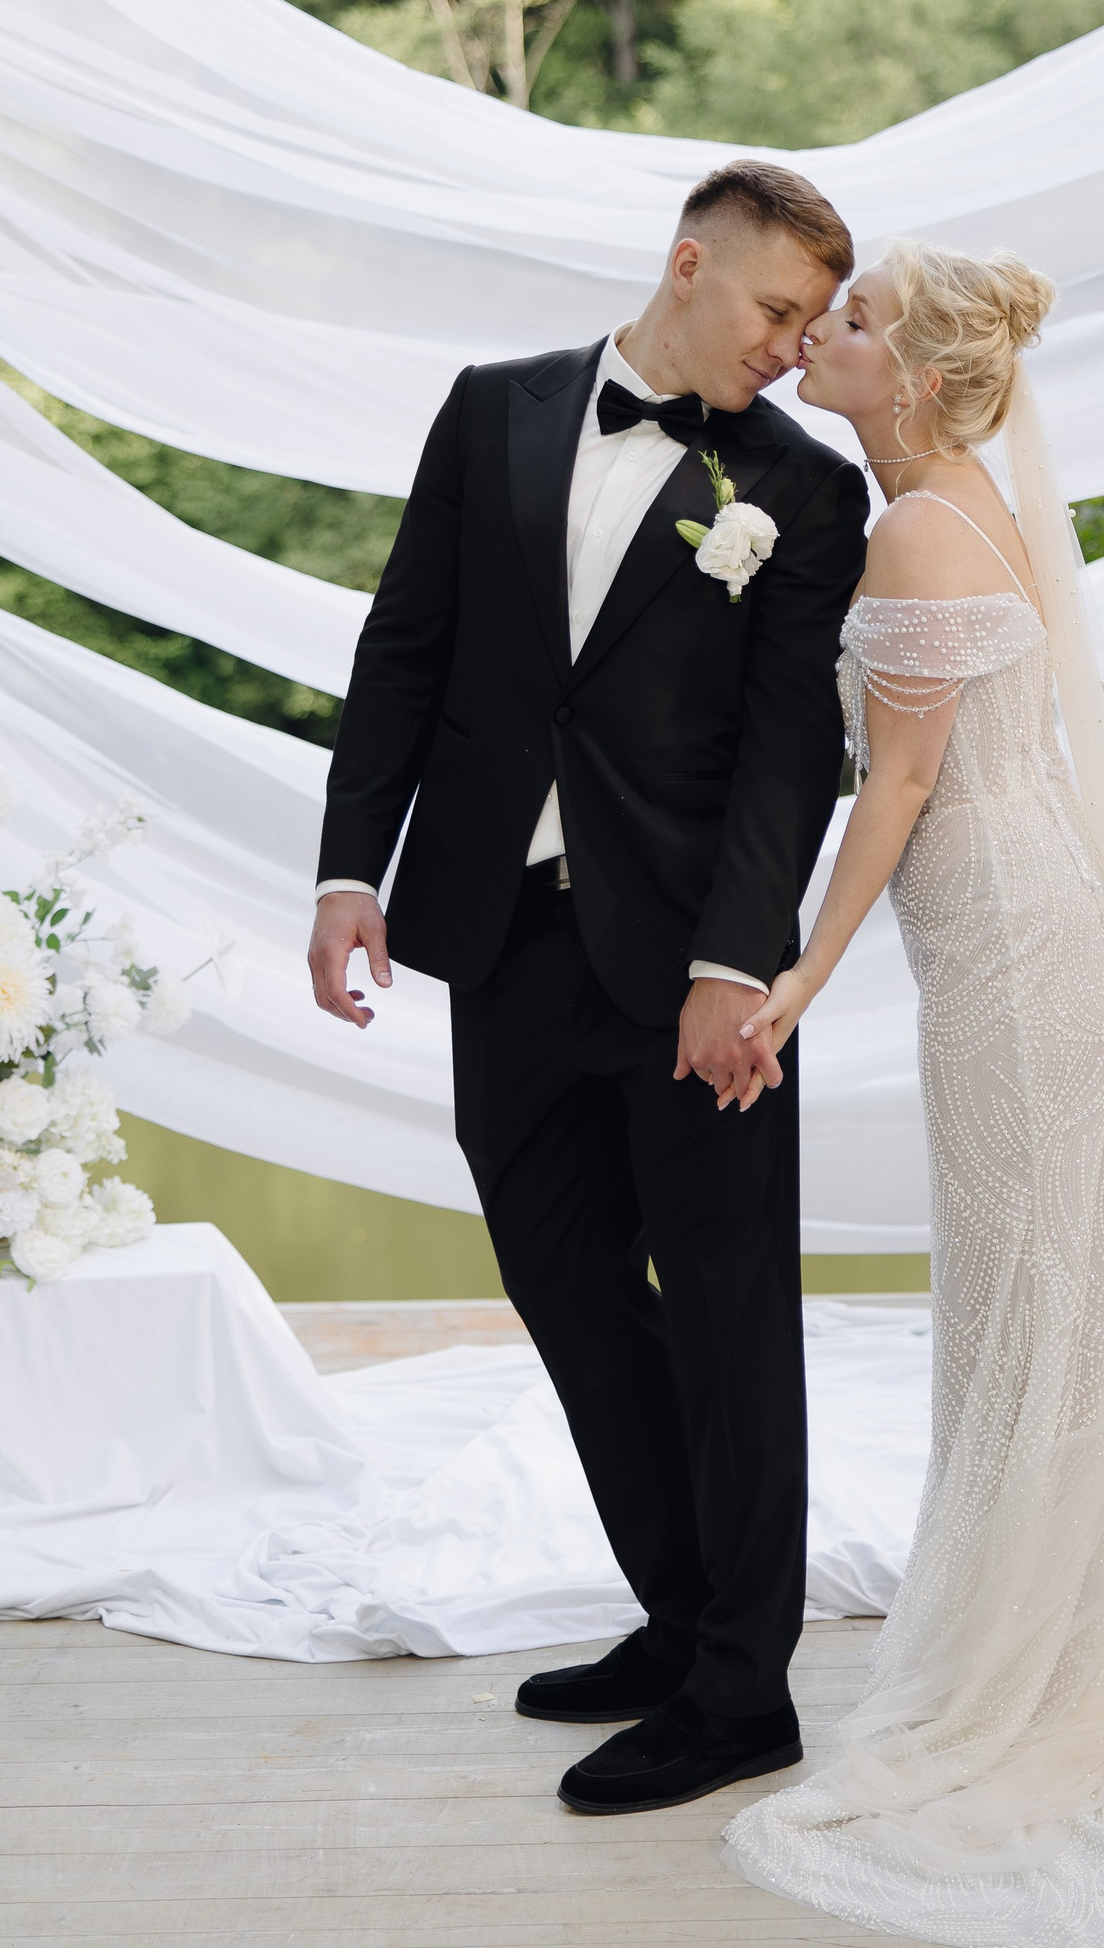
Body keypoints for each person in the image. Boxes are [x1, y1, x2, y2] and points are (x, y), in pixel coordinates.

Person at [722, 242, 1104, 1948]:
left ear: (921, 374)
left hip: (1013, 946)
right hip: (1024, 929)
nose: (824, 332)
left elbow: (895, 785)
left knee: (1030, 1277)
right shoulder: (962, 500)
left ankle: (1023, 1654)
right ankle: (1053, 1609)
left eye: (855, 320)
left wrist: (796, 974)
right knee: (1038, 1277)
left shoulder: (917, 527)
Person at [307, 160, 869, 1818]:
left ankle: (744, 1691)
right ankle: (681, 1616)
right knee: (567, 1290)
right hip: (501, 937)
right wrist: (350, 868)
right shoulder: (494, 410)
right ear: (690, 263)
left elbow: (790, 755)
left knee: (731, 1319)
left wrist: (733, 964)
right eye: (776, 307)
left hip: (691, 966)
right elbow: (406, 644)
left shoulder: (807, 491)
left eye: (814, 323)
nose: (793, 345)